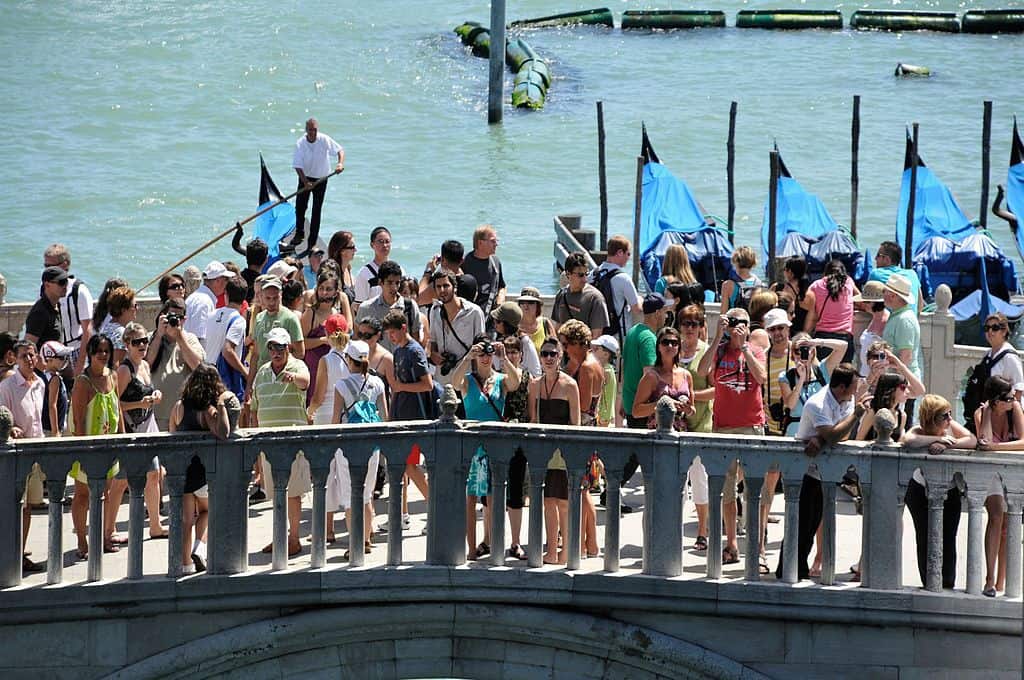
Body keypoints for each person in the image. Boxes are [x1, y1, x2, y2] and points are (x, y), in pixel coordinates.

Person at [778, 363, 866, 580]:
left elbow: (841, 436)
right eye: (853, 386)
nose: (856, 391)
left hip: (824, 472)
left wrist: (821, 438)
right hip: (804, 471)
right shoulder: (817, 404)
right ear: (842, 387)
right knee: (799, 524)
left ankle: (798, 570)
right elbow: (835, 435)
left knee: (812, 524)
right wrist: (853, 417)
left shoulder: (846, 399)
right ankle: (787, 570)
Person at [697, 307, 768, 565]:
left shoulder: (756, 350)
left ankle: (757, 548)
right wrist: (717, 336)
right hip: (724, 426)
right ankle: (731, 544)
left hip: (751, 425)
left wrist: (744, 346)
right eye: (733, 322)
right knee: (727, 491)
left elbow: (760, 376)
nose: (738, 327)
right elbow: (703, 370)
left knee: (753, 491)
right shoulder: (719, 351)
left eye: (743, 323)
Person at [453, 334, 521, 560]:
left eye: (488, 353)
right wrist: (468, 356)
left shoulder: (501, 380)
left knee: (493, 499)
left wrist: (504, 358)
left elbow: (516, 382)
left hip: (494, 446)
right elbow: (453, 383)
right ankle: (471, 550)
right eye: (481, 353)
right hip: (473, 447)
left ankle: (495, 547)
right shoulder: (468, 380)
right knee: (470, 499)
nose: (485, 357)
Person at [901, 394, 976, 589]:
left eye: (951, 414)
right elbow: (908, 440)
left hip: (949, 490)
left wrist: (946, 444)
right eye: (945, 415)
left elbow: (972, 440)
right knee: (924, 536)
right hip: (919, 490)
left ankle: (947, 583)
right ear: (932, 418)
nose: (950, 419)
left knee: (948, 537)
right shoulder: (919, 429)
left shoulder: (951, 428)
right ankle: (929, 582)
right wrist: (936, 438)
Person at [169, 364, 236, 574]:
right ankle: (200, 546)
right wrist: (222, 404)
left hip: (182, 471)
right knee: (208, 510)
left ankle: (185, 564)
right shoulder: (208, 409)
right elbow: (223, 432)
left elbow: (171, 433)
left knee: (186, 519)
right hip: (203, 472)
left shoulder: (179, 406)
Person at [251, 327, 312, 556]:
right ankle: (280, 537)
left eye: (280, 347)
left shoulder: (297, 366)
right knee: (276, 493)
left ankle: (294, 538)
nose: (275, 351)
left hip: (292, 441)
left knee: (293, 492)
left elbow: (305, 382)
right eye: (271, 347)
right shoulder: (262, 372)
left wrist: (293, 378)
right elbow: (255, 409)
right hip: (268, 443)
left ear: (288, 348)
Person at [69, 334, 127, 559]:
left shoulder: (112, 375)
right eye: (99, 351)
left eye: (106, 350)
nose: (103, 355)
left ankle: (102, 537)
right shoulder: (84, 382)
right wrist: (82, 449)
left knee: (105, 493)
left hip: (109, 447)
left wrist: (123, 437)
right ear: (91, 353)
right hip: (88, 446)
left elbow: (118, 408)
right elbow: (79, 417)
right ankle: (82, 540)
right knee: (82, 495)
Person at [327, 340, 388, 554]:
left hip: (348, 445)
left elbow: (336, 420)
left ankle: (356, 543)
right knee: (367, 494)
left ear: (348, 360)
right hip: (372, 445)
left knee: (350, 495)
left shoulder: (341, 386)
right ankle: (367, 539)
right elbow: (385, 417)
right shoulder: (378, 384)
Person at [528, 337, 581, 565]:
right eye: (545, 354)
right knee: (547, 501)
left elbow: (576, 423)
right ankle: (551, 550)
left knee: (563, 502)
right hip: (543, 451)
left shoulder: (570, 385)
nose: (548, 358)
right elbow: (532, 419)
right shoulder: (535, 385)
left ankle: (567, 551)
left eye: (553, 354)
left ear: (560, 356)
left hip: (563, 452)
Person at [0, 341, 47, 574]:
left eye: (32, 355)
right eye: (24, 356)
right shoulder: (8, 386)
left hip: (36, 452)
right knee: (15, 506)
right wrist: (11, 429)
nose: (29, 359)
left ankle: (20, 552)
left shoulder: (40, 383)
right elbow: (3, 418)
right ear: (15, 359)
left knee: (29, 507)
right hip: (16, 454)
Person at [116, 322, 166, 540]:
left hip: (149, 427)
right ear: (127, 344)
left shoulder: (145, 365)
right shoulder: (124, 370)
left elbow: (149, 392)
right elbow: (115, 405)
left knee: (154, 475)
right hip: (131, 431)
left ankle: (155, 525)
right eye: (137, 342)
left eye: (145, 340)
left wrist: (156, 396)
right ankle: (108, 529)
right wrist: (140, 404)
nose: (142, 345)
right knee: (121, 483)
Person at [974, 375, 1022, 597]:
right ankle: (990, 579)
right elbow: (983, 441)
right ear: (995, 400)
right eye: (1008, 397)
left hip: (1012, 472)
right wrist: (985, 416)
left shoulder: (1016, 410)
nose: (1013, 400)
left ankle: (1002, 582)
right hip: (990, 472)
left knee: (1007, 527)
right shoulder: (981, 413)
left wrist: (996, 448)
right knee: (995, 517)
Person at [382, 308, 435, 514]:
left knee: (411, 466)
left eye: (393, 332)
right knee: (402, 467)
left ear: (403, 328)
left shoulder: (414, 351)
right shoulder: (398, 352)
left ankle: (432, 508)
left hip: (416, 417)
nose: (391, 337)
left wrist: (401, 387)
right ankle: (401, 513)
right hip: (400, 415)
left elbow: (427, 385)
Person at [558, 320, 603, 557]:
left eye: (566, 344)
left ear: (577, 343)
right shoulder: (591, 363)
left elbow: (583, 406)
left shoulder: (586, 367)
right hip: (590, 429)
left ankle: (591, 543)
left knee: (582, 490)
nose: (564, 349)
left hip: (583, 432)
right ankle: (590, 543)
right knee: (583, 489)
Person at [676, 304, 712, 550]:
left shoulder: (706, 352)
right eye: (686, 323)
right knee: (677, 481)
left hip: (702, 424)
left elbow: (716, 390)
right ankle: (672, 529)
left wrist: (692, 396)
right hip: (676, 425)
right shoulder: (671, 349)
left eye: (694, 324)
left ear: (701, 328)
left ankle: (702, 530)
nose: (689, 328)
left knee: (700, 481)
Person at [147, 298, 206, 430]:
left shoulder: (189, 339)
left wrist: (179, 337)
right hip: (156, 414)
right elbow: (146, 365)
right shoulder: (152, 338)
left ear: (184, 320)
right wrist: (158, 335)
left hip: (181, 414)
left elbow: (198, 367)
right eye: (171, 316)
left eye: (179, 317)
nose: (175, 320)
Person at [287, 117, 344, 252]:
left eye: (315, 130)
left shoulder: (324, 139)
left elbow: (340, 150)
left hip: (321, 179)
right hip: (305, 177)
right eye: (310, 130)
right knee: (300, 207)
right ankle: (299, 234)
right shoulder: (300, 143)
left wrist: (340, 163)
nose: (313, 132)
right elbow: (297, 166)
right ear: (306, 130)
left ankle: (312, 241)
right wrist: (305, 182)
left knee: (316, 210)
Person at [245, 276, 304, 398]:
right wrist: (249, 385)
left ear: (281, 295)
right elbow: (256, 354)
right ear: (261, 296)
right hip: (262, 380)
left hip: (283, 381)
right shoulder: (259, 318)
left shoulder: (290, 319)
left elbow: (300, 353)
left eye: (275, 298)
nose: (271, 302)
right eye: (268, 298)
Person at [427, 270, 485, 390]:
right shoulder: (435, 310)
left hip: (467, 380)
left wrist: (480, 381)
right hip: (442, 380)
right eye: (438, 287)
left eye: (446, 285)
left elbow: (481, 346)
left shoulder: (474, 312)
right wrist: (433, 354)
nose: (442, 290)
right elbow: (433, 341)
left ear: (455, 287)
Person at [43, 244, 94, 377]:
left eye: (51, 266)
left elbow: (87, 329)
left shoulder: (79, 291)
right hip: (54, 352)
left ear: (65, 265)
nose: (48, 270)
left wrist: (80, 365)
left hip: (76, 350)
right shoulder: (45, 289)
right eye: (46, 266)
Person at [621, 293, 670, 428]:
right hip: (643, 409)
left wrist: (622, 402)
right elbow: (649, 375)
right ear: (657, 313)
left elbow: (624, 368)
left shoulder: (632, 332)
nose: (666, 317)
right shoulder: (649, 339)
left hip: (629, 404)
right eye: (665, 313)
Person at [301, 269, 347, 405]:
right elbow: (300, 343)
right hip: (313, 368)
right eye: (321, 289)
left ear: (335, 292)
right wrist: (323, 341)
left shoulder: (336, 313)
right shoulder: (311, 313)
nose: (324, 293)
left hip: (333, 368)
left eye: (328, 289)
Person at [882, 274, 923, 422]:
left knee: (900, 425)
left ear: (893, 295)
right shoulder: (898, 316)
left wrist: (895, 387)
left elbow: (906, 356)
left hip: (902, 386)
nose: (883, 294)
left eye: (885, 291)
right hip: (898, 384)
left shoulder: (904, 319)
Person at [802, 259, 858, 363]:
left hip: (822, 339)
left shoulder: (816, 285)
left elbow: (807, 306)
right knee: (844, 376)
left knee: (823, 376)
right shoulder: (849, 282)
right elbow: (859, 299)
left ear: (824, 273)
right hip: (844, 339)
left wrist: (805, 333)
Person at [359, 261, 422, 354]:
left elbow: (415, 342)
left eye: (397, 283)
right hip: (378, 365)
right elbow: (358, 341)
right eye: (390, 282)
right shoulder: (366, 308)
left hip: (404, 365)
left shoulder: (410, 306)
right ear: (380, 282)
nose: (394, 287)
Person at [590, 234, 642, 342]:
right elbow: (636, 309)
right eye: (628, 254)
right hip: (617, 334)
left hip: (595, 332)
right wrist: (640, 299)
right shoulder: (623, 278)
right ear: (619, 253)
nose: (629, 258)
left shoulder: (593, 274)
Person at [204, 276, 248, 401]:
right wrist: (245, 373)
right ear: (244, 298)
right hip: (224, 380)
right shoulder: (239, 321)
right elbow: (227, 351)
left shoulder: (211, 314)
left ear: (226, 294)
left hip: (207, 374)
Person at [552, 252, 609, 340]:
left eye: (586, 274)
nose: (584, 279)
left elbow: (596, 335)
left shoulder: (595, 298)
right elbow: (558, 328)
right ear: (568, 274)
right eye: (580, 275)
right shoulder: (561, 295)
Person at [307, 313, 350, 425]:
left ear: (326, 334)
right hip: (349, 414)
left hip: (326, 416)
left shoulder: (326, 360)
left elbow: (318, 398)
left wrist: (309, 412)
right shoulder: (356, 355)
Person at [183, 261, 233, 346]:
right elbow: (199, 337)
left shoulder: (199, 297)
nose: (227, 283)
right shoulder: (204, 302)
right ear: (218, 280)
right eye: (226, 279)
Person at [461, 224, 506, 315]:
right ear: (480, 243)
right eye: (493, 241)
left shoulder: (495, 262)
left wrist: (500, 300)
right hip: (470, 315)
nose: (496, 244)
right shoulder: (464, 262)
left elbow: (502, 286)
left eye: (496, 241)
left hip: (490, 315)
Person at [869, 241, 924, 313]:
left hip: (890, 322)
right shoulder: (912, 274)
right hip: (911, 319)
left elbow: (867, 303)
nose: (875, 258)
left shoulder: (876, 274)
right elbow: (920, 306)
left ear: (887, 259)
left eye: (878, 255)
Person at [491, 301, 541, 379]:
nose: (495, 324)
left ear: (506, 324)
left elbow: (536, 373)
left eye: (498, 321)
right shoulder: (498, 341)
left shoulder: (525, 342)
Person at [979, 313, 1024, 399]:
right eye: (987, 328)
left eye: (995, 328)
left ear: (1004, 332)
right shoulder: (987, 355)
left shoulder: (1010, 356)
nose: (990, 331)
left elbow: (1019, 388)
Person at [25, 267, 68, 349]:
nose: (65, 286)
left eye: (66, 282)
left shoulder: (57, 305)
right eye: (62, 282)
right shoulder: (39, 313)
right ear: (47, 285)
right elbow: (28, 349)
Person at [354, 226, 396, 309]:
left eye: (387, 241)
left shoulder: (398, 270)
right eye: (380, 241)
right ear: (372, 245)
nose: (384, 245)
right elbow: (359, 306)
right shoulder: (364, 274)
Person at [853, 281, 888, 376]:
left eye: (867, 301)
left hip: (877, 375)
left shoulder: (887, 321)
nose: (864, 304)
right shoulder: (874, 318)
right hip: (865, 373)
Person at [97, 286, 137, 365]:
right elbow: (116, 365)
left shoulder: (107, 326)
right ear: (123, 310)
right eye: (135, 306)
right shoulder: (120, 333)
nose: (137, 308)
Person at [719, 246, 762, 313]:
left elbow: (723, 313)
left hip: (734, 321)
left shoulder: (727, 285)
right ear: (753, 263)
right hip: (751, 322)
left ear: (735, 261)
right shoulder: (758, 283)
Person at [230, 234, 268, 304]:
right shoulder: (264, 285)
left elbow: (236, 245)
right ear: (266, 260)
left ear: (246, 257)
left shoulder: (236, 280)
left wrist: (239, 235)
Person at [591, 335, 619, 428]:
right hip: (605, 416)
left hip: (603, 417)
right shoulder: (608, 369)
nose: (593, 350)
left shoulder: (605, 371)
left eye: (597, 349)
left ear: (606, 354)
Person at [517, 286, 556, 354]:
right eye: (522, 302)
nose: (526, 306)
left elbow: (556, 348)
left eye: (530, 302)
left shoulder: (545, 323)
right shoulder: (514, 326)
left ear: (538, 306)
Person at [327, 230, 359, 308]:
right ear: (342, 251)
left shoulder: (348, 269)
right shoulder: (332, 274)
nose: (355, 250)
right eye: (352, 247)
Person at [778, 256, 810, 332]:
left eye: (784, 269)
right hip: (799, 333)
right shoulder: (809, 293)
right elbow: (811, 318)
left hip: (781, 331)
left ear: (790, 272)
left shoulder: (778, 288)